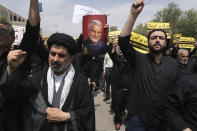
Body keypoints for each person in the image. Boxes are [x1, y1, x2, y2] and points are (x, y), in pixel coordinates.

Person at [4, 33, 95, 131]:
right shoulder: (37, 80)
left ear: (71, 58)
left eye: (61, 55)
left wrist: (68, 116)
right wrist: (11, 69)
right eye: (52, 54)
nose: (55, 59)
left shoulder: (80, 83)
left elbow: (87, 113)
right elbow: (10, 97)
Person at [118, 0, 179, 130]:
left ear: (165, 42)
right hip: (137, 118)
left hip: (162, 119)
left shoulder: (174, 65)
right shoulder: (138, 59)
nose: (157, 40)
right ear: (148, 41)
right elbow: (123, 41)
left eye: (161, 38)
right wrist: (133, 15)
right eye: (154, 37)